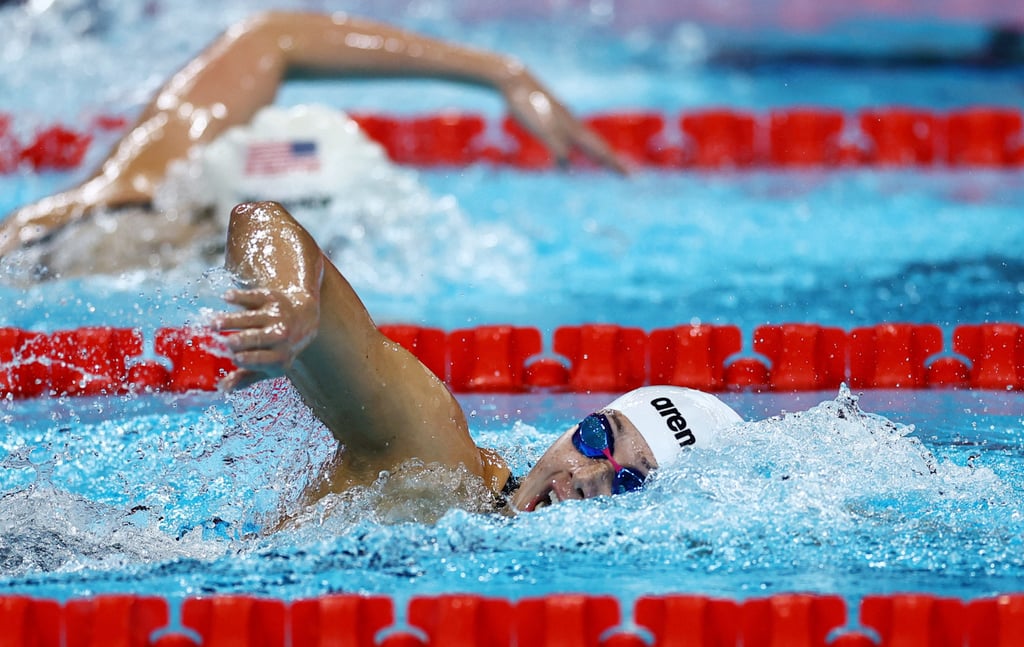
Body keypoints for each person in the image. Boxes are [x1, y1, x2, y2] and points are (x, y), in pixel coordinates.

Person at [213, 200, 744, 513]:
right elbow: (259, 220)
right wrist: (292, 302)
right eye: (598, 436)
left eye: (629, 481)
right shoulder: (433, 460)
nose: (586, 475)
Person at [0, 10, 626, 272]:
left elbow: (271, 37)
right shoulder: (126, 197)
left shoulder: (156, 198)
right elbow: (269, 39)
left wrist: (502, 71)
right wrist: (498, 70)